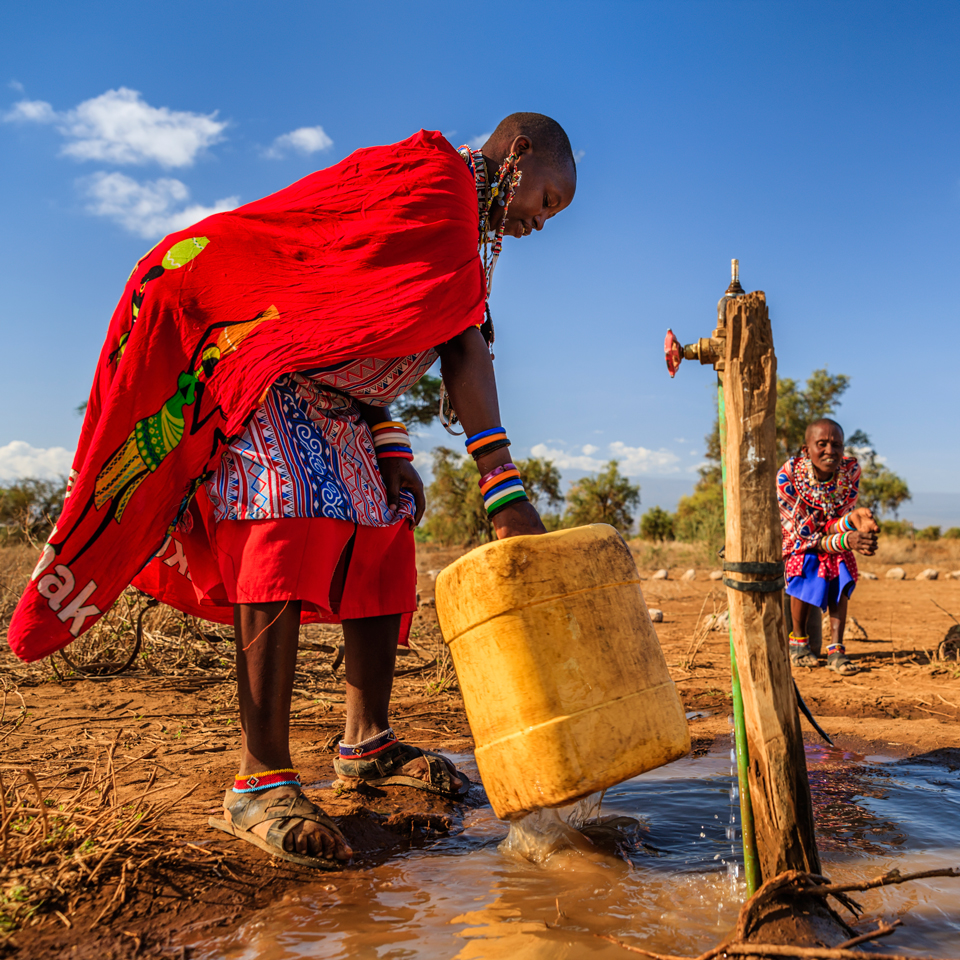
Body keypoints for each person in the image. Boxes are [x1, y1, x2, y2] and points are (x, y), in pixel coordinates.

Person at [9, 113, 577, 870]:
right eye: (547, 200)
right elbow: (451, 339)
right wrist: (502, 486)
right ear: (521, 152)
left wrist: (390, 443)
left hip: (339, 402)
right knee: (279, 519)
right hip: (268, 378)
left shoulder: (457, 231)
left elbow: (365, 325)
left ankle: (366, 742)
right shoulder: (435, 186)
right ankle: (260, 777)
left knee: (384, 536)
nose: (542, 221)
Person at [777, 418, 879, 676]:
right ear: (806, 449)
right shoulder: (788, 476)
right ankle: (798, 643)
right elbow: (803, 534)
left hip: (825, 537)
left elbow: (835, 521)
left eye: (836, 445)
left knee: (841, 565)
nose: (830, 451)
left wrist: (854, 521)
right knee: (806, 562)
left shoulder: (849, 473)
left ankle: (836, 649)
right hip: (794, 540)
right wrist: (847, 538)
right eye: (821, 444)